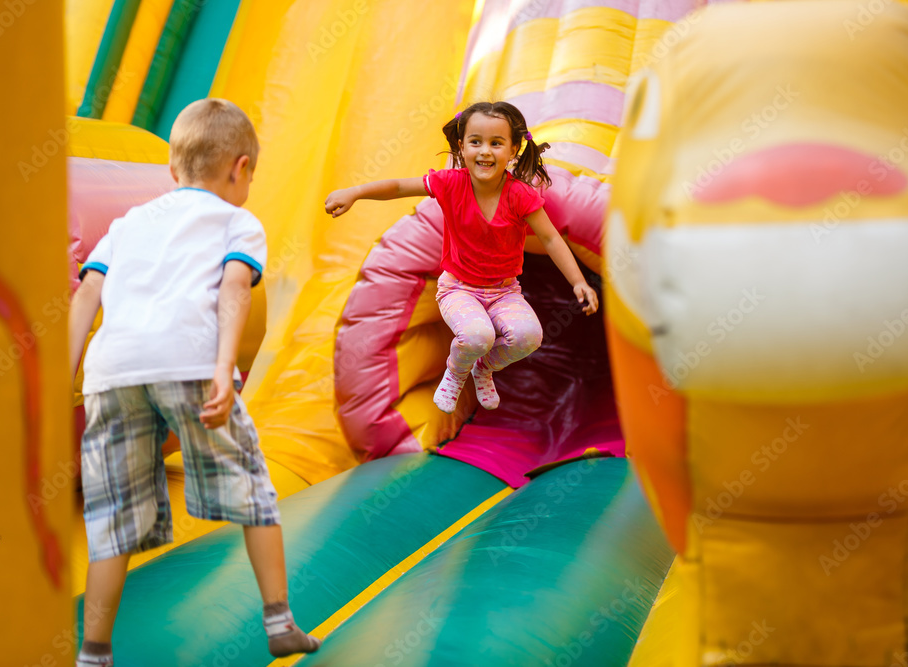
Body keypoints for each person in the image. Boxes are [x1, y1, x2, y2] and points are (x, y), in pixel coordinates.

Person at [68, 99, 320, 667]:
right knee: (255, 496)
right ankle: (280, 623)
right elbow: (233, 290)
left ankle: (93, 652)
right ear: (242, 168)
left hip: (113, 374)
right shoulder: (238, 222)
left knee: (112, 520)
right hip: (189, 364)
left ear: (172, 170)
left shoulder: (127, 223)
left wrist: (64, 378)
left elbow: (85, 296)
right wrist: (222, 370)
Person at [325, 101, 599, 414]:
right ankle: (456, 373)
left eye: (496, 143)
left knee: (528, 337)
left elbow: (551, 237)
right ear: (462, 146)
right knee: (476, 335)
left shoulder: (520, 194)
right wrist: (355, 192)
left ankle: (483, 368)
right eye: (475, 142)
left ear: (513, 150)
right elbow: (400, 185)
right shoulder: (451, 184)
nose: (485, 151)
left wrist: (579, 281)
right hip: (458, 288)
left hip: (504, 290)